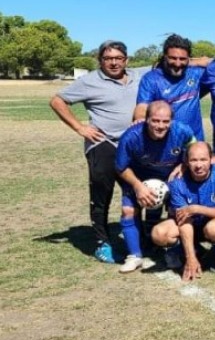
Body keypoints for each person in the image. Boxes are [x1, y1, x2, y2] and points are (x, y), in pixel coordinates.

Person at [49, 40, 149, 263]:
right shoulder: (89, 81)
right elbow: (57, 101)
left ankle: (138, 237)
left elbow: (170, 61)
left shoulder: (138, 74)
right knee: (101, 194)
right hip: (103, 144)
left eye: (118, 58)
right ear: (100, 60)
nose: (113, 63)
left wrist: (212, 60)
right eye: (108, 58)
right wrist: (80, 128)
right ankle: (102, 242)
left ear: (126, 59)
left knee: (134, 191)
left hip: (133, 145)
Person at [114, 101, 196, 273]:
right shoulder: (131, 136)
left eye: (165, 121)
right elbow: (120, 167)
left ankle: (173, 250)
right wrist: (137, 186)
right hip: (138, 177)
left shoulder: (182, 131)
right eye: (155, 121)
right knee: (129, 211)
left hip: (170, 177)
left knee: (178, 211)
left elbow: (195, 148)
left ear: (172, 121)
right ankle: (135, 255)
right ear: (146, 120)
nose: (160, 126)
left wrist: (184, 165)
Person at [150, 141, 215, 281]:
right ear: (186, 162)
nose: (198, 165)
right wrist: (190, 258)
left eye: (203, 159)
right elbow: (184, 220)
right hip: (188, 225)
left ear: (211, 159)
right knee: (159, 234)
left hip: (212, 224)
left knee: (214, 228)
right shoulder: (177, 182)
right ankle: (193, 251)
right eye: (193, 160)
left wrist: (196, 209)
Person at [134, 34, 205, 141]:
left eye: (182, 59)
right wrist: (140, 119)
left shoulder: (196, 74)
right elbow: (142, 106)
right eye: (173, 58)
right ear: (165, 57)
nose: (177, 63)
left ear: (188, 59)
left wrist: (198, 61)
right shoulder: (151, 79)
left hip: (194, 144)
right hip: (164, 145)